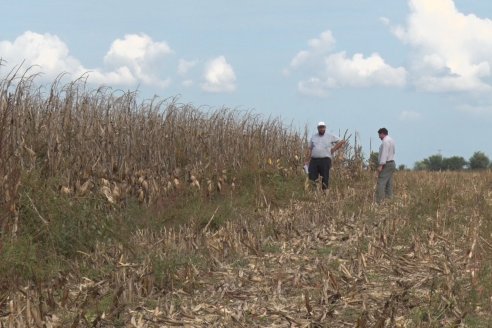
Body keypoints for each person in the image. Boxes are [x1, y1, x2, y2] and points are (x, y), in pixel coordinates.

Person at [304, 121, 346, 191]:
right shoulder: (313, 137)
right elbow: (310, 149)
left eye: (323, 127)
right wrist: (307, 160)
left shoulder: (330, 136)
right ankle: (314, 192)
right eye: (320, 128)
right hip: (314, 160)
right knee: (312, 176)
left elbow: (341, 141)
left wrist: (333, 149)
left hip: (325, 159)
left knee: (325, 176)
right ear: (318, 128)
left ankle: (325, 193)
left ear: (325, 128)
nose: (321, 129)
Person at [376, 127, 396, 203]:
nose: (379, 137)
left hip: (386, 164)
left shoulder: (385, 141)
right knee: (389, 183)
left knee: (381, 182)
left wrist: (381, 165)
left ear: (382, 134)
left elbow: (384, 154)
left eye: (379, 135)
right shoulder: (391, 140)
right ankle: (389, 200)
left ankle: (379, 201)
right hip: (392, 163)